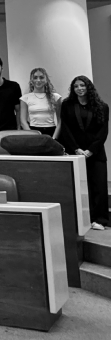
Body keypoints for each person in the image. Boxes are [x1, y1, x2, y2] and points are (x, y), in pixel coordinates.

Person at [59, 76, 109, 231]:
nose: (79, 88)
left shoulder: (102, 106)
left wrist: (91, 150)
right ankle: (84, 218)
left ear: (89, 87)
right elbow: (65, 128)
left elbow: (103, 131)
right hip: (75, 152)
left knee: (99, 186)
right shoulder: (67, 105)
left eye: (82, 85)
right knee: (80, 186)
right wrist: (76, 148)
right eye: (76, 86)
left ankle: (100, 220)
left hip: (96, 152)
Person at [19, 67, 62, 137]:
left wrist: (54, 138)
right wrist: (33, 136)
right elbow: (23, 122)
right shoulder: (25, 98)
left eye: (41, 77)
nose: (38, 80)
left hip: (51, 132)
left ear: (46, 80)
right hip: (33, 132)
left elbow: (60, 121)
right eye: (35, 77)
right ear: (31, 80)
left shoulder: (56, 97)